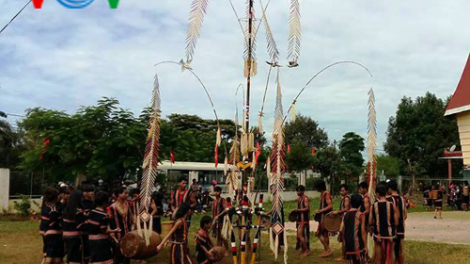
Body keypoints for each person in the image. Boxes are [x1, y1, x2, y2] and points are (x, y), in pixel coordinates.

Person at [369, 182, 399, 264]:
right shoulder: (392, 205)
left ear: (377, 194)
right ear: (386, 193)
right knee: (391, 255)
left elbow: (370, 221)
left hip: (378, 235)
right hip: (390, 235)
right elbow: (396, 222)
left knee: (379, 258)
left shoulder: (373, 206)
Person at [88, 191, 120, 264]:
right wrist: (114, 230)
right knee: (104, 260)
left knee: (95, 260)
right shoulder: (104, 215)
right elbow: (103, 230)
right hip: (101, 242)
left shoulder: (91, 212)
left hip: (91, 240)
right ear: (105, 203)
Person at [40, 186, 65, 264]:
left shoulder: (45, 205)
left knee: (47, 253)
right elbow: (54, 223)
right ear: (54, 197)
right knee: (52, 257)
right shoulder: (53, 209)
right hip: (54, 235)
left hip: (45, 232)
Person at [340, 194, 367, 264]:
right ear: (361, 204)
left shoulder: (345, 214)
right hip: (357, 242)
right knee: (359, 260)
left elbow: (341, 230)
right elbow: (363, 231)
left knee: (352, 260)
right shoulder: (361, 215)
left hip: (348, 242)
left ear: (350, 203)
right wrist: (366, 246)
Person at [109, 186, 132, 264]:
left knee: (128, 255)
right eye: (125, 193)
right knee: (117, 256)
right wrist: (111, 233)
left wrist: (134, 225)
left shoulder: (127, 204)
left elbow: (131, 216)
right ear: (119, 194)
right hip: (117, 235)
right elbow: (108, 221)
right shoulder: (112, 207)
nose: (127, 194)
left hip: (128, 233)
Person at [62, 191, 86, 264]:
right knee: (75, 258)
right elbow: (80, 226)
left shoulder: (66, 209)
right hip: (75, 237)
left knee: (70, 256)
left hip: (66, 236)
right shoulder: (77, 211)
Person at [387, 180, 407, 264]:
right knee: (400, 250)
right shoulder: (402, 199)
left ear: (390, 189)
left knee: (392, 250)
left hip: (392, 229)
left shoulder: (389, 200)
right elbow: (405, 215)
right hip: (401, 228)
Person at [314, 180, 333, 258]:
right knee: (325, 235)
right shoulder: (322, 194)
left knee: (319, 234)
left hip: (325, 218)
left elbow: (330, 206)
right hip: (322, 217)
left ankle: (328, 249)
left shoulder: (326, 194)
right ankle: (326, 250)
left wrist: (320, 211)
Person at [335, 184, 351, 261]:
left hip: (345, 219)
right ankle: (346, 255)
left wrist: (337, 212)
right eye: (340, 190)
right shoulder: (345, 198)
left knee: (344, 238)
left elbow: (346, 208)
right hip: (345, 218)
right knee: (345, 237)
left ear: (347, 191)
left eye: (343, 190)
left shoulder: (347, 198)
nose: (341, 192)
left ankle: (343, 256)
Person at [294, 185, 310, 256]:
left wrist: (298, 210)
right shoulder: (299, 198)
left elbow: (307, 208)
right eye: (297, 191)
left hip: (304, 220)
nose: (297, 192)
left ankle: (306, 250)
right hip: (299, 219)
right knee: (299, 235)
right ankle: (303, 249)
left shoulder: (305, 198)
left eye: (299, 191)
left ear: (302, 191)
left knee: (300, 235)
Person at [212, 186, 229, 250]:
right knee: (218, 236)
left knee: (223, 235)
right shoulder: (214, 201)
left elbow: (226, 209)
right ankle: (219, 249)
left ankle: (226, 249)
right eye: (215, 191)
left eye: (217, 191)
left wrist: (218, 216)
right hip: (216, 221)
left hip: (221, 220)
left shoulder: (222, 200)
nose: (216, 193)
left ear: (219, 192)